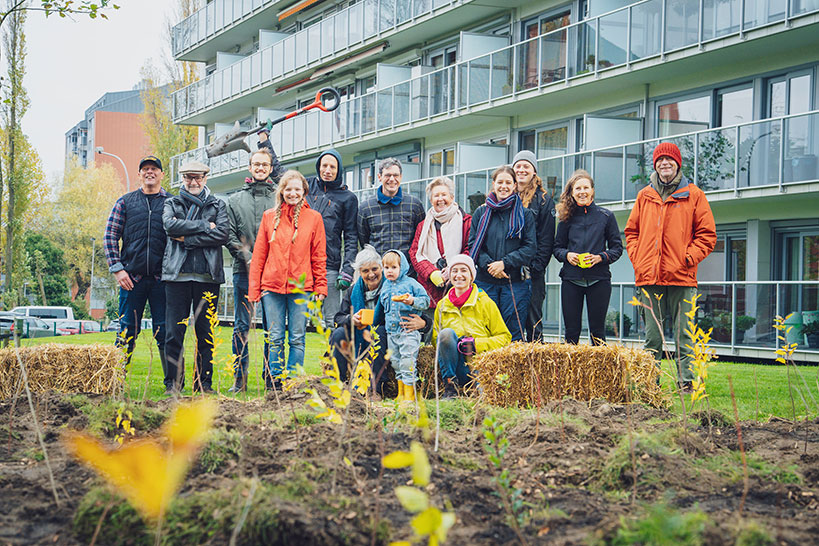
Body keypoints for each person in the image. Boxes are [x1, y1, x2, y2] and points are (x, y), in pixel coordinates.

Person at [624, 142, 716, 392]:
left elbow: (707, 236)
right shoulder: (644, 196)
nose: (665, 164)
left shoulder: (694, 195)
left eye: (669, 160)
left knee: (684, 335)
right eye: (660, 160)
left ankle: (686, 382)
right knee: (652, 338)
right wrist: (639, 258)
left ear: (678, 164)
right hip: (649, 279)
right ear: (655, 165)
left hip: (682, 279)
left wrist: (687, 258)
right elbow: (631, 232)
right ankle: (649, 384)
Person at [249, 170, 327, 389]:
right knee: (274, 338)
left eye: (297, 189)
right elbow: (259, 256)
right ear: (282, 191)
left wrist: (321, 285)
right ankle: (274, 383)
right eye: (288, 189)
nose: (293, 193)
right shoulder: (268, 217)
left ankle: (293, 383)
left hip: (300, 287)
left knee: (297, 337)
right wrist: (254, 290)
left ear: (304, 192)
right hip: (271, 287)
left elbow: (319, 255)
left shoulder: (314, 218)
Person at [161, 161, 229, 394]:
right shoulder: (172, 202)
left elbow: (221, 233)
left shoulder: (218, 204)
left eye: (197, 177)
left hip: (207, 277)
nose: (193, 182)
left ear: (205, 178)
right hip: (176, 276)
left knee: (206, 334)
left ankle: (204, 383)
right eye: (189, 177)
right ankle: (173, 384)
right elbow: (170, 227)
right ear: (183, 178)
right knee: (173, 333)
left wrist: (187, 239)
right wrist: (203, 225)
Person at [103, 155, 168, 370]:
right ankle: (116, 379)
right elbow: (110, 236)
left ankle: (173, 386)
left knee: (165, 331)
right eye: (145, 169)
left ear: (162, 174)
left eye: (154, 169)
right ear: (138, 174)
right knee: (126, 330)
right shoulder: (125, 202)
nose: (150, 172)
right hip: (131, 280)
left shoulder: (172, 203)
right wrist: (118, 270)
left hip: (163, 280)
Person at [225, 146, 281, 393]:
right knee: (241, 325)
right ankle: (240, 378)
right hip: (243, 270)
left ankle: (272, 377)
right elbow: (228, 233)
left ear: (270, 168)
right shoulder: (235, 200)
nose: (260, 168)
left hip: (274, 272)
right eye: (256, 164)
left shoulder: (279, 199)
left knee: (273, 326)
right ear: (250, 167)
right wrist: (248, 256)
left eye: (264, 165)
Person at [553, 170, 623, 345]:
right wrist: (567, 255)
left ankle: (600, 372)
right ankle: (569, 372)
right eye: (578, 188)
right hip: (571, 280)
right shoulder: (565, 218)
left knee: (598, 333)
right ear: (572, 192)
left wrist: (601, 257)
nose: (582, 191)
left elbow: (617, 248)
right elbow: (557, 248)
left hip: (599, 280)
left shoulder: (606, 216)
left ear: (592, 190)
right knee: (571, 333)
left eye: (586, 187)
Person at [468, 166, 537, 341]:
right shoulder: (481, 213)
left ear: (515, 185)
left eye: (508, 182)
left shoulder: (525, 215)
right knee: (484, 330)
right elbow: (473, 245)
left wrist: (504, 263)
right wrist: (491, 265)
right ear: (493, 184)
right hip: (485, 281)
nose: (504, 186)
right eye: (500, 182)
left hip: (514, 283)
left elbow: (530, 248)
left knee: (513, 332)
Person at [432, 254, 511, 397]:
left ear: (471, 276)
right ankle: (450, 388)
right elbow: (436, 340)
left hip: (479, 367)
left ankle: (475, 390)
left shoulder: (485, 303)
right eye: (454, 271)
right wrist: (452, 344)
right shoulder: (442, 306)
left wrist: (476, 344)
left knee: (482, 399)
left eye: (464, 270)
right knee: (446, 334)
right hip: (455, 367)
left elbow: (505, 338)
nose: (459, 275)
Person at [306, 149, 358, 329]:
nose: (327, 170)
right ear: (318, 167)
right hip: (301, 264)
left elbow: (351, 236)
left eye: (332, 167)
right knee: (298, 320)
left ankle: (334, 357)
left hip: (329, 266)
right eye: (324, 166)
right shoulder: (306, 187)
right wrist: (265, 141)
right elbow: (280, 176)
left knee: (333, 319)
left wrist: (348, 270)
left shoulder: (348, 198)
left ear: (339, 170)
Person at [512, 150, 555, 342]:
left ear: (534, 171)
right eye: (518, 166)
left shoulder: (544, 201)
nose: (521, 170)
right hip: (509, 269)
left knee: (533, 319)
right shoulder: (504, 196)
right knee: (511, 318)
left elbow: (547, 240)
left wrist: (537, 268)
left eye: (526, 166)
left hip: (533, 271)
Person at [409, 176, 472, 306]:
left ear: (452, 197)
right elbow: (415, 253)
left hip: (458, 285)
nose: (440, 199)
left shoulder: (466, 222)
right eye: (436, 196)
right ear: (431, 200)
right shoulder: (423, 225)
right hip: (429, 290)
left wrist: (453, 268)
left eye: (444, 194)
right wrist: (432, 273)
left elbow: (469, 249)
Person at [379, 250, 430, 403]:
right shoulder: (385, 286)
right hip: (391, 332)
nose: (389, 271)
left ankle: (410, 395)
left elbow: (426, 301)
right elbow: (381, 308)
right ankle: (401, 393)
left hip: (408, 331)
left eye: (393, 267)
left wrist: (412, 301)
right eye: (386, 268)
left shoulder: (411, 284)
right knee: (395, 362)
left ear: (402, 267)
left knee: (407, 362)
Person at [358, 158, 425, 265]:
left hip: (408, 271)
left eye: (396, 175)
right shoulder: (366, 207)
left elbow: (421, 238)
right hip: (378, 272)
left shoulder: (414, 204)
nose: (392, 179)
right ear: (379, 177)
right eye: (388, 175)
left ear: (401, 177)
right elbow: (364, 241)